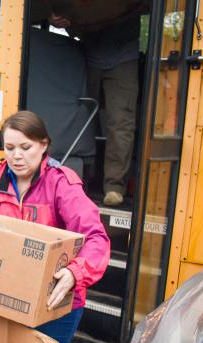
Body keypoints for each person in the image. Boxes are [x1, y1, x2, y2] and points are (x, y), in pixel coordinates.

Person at [0, 111, 110, 343]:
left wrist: (75, 272)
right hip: (4, 297)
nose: (17, 156)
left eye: (26, 147)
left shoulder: (62, 184)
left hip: (54, 305)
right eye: (10, 147)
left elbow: (96, 238)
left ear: (43, 145)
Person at [49, 9, 141, 206]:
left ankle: (114, 186)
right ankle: (79, 181)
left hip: (124, 55)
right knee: (79, 115)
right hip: (87, 53)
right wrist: (56, 18)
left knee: (121, 122)